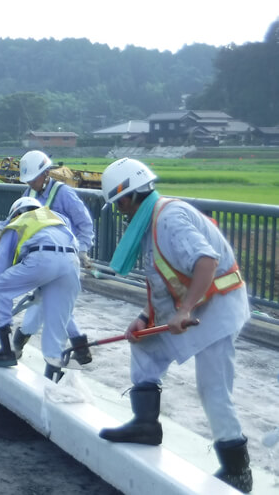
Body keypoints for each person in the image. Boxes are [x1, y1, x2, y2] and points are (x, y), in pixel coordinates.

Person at [97, 157, 252, 493]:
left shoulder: (168, 218)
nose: (120, 211)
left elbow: (206, 262)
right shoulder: (152, 221)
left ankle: (237, 468)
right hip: (197, 303)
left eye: (118, 204)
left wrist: (184, 309)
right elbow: (164, 281)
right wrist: (143, 318)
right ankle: (145, 425)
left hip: (218, 305)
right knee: (145, 346)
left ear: (127, 198)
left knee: (212, 387)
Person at [0, 150, 95, 369]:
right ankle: (64, 359)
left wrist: (83, 249)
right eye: (28, 180)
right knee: (54, 309)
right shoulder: (31, 195)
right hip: (66, 258)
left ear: (46, 174)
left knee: (12, 294)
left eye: (34, 178)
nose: (32, 183)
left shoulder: (63, 193)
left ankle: (10, 348)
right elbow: (14, 217)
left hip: (49, 257)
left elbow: (85, 223)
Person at [0, 196, 81, 381]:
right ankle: (53, 376)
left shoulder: (17, 223)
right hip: (72, 262)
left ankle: (5, 351)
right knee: (56, 320)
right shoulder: (56, 218)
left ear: (16, 213)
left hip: (43, 259)